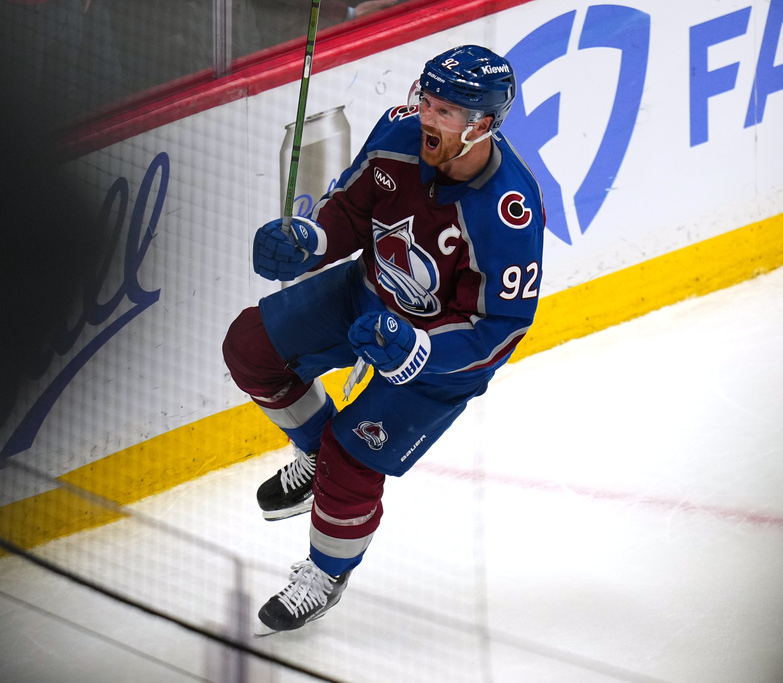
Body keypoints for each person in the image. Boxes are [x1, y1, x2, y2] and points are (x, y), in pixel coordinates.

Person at [222, 44, 545, 633]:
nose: (427, 116)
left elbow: (502, 329)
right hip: (364, 294)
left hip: (437, 365)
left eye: (447, 111)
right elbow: (349, 207)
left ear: (485, 125)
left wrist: (422, 352)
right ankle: (315, 452)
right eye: (428, 99)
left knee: (354, 455)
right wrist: (312, 242)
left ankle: (326, 572)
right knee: (249, 346)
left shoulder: (508, 212)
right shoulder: (398, 131)